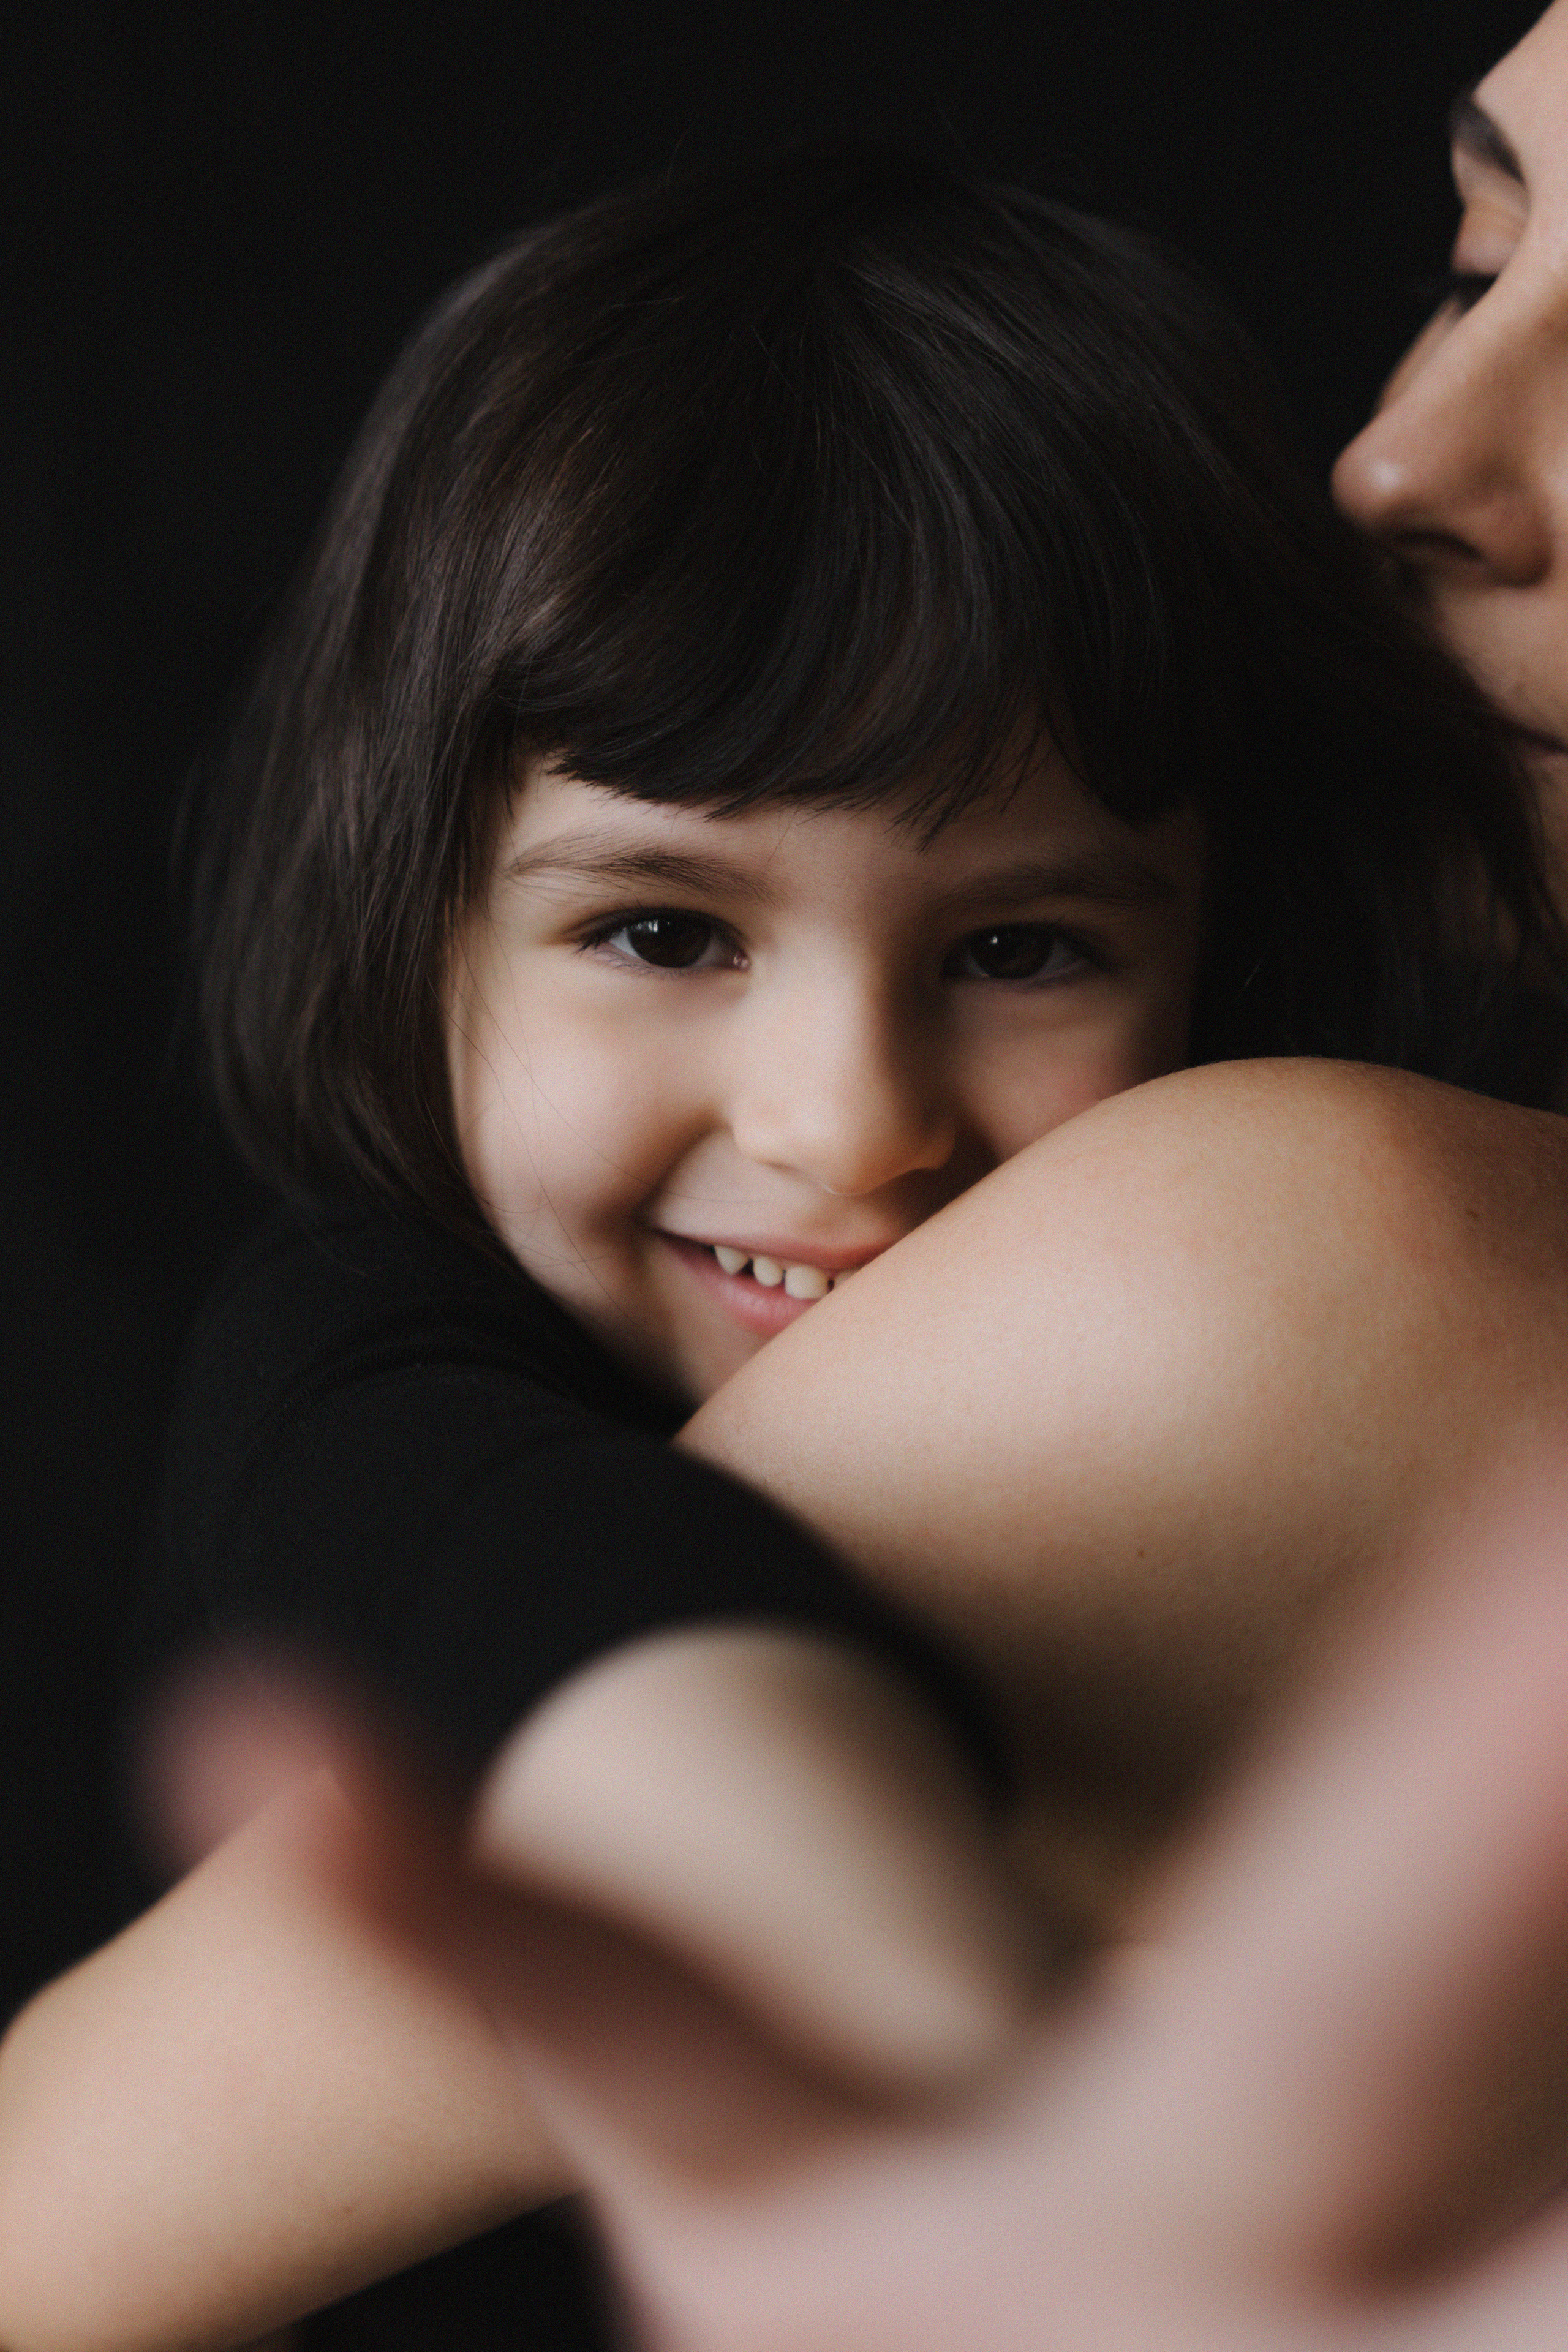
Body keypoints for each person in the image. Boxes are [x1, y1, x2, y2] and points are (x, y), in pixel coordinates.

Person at [1, 143, 1560, 2352]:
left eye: (1020, 947)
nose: (848, 1120)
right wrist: (842, 1884)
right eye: (663, 930)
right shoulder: (361, 1337)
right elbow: (532, 1576)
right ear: (418, 917)